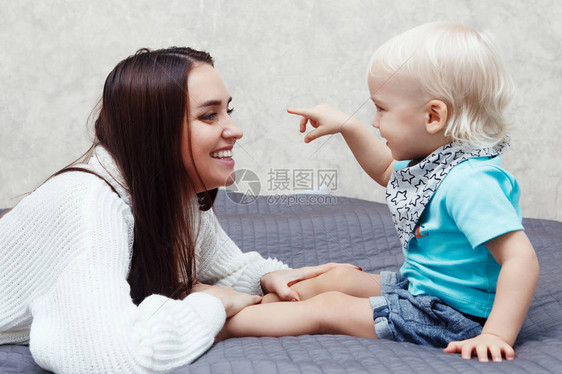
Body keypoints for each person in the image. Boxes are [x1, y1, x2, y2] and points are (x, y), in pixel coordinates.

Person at [0, 47, 357, 373]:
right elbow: (113, 360)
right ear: (154, 132)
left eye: (227, 111)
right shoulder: (88, 206)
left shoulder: (169, 189)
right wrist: (213, 305)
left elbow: (222, 267)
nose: (235, 130)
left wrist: (268, 277)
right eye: (208, 116)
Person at [221, 23, 539, 363]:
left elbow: (521, 260)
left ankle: (217, 323)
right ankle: (244, 302)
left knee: (332, 307)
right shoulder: (437, 160)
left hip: (457, 318)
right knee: (338, 278)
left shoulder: (473, 181)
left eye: (381, 109)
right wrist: (348, 126)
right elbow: (389, 172)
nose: (374, 121)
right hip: (421, 289)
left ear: (433, 116)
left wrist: (495, 333)